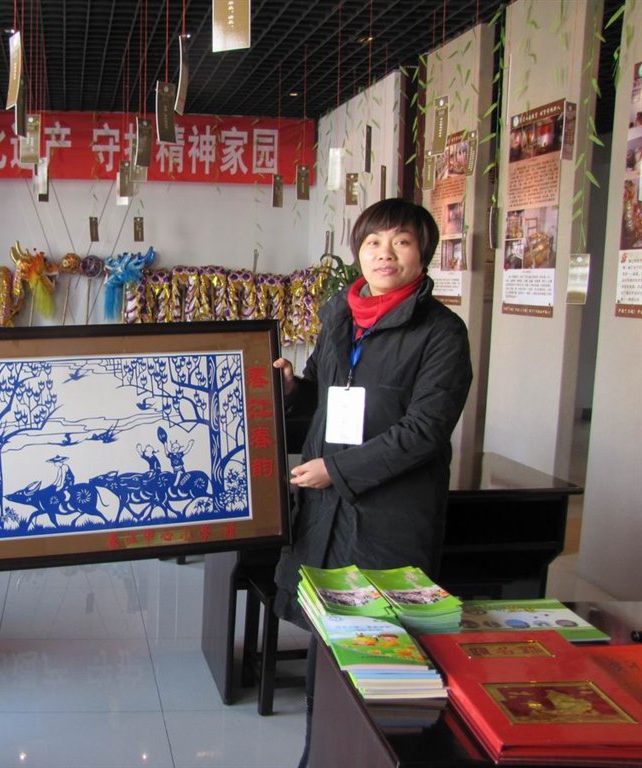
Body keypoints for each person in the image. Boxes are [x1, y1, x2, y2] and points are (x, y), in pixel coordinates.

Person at [272, 198, 473, 768]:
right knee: (325, 652)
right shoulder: (341, 316)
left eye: (401, 241)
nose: (385, 254)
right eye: (373, 242)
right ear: (358, 251)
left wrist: (337, 471)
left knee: (379, 659)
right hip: (324, 514)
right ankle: (320, 756)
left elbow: (424, 431)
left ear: (423, 253)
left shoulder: (442, 333)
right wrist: (292, 391)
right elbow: (324, 394)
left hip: (390, 518)